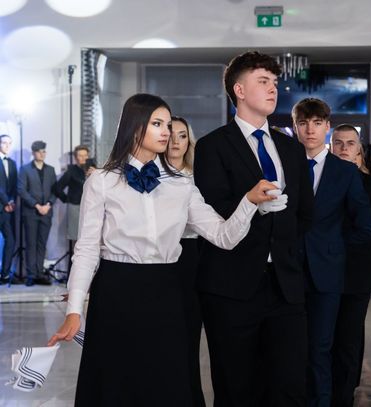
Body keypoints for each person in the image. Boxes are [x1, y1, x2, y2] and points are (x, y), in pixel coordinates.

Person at [47, 93, 277, 406]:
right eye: (157, 124)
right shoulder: (101, 181)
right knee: (114, 383)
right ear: (134, 127)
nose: (166, 132)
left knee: (167, 382)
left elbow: (224, 237)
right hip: (115, 290)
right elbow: (86, 249)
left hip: (167, 290)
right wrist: (74, 310)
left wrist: (248, 202)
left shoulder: (182, 184)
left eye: (168, 125)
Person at [194, 51, 313, 406]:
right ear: (240, 90)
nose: (273, 89)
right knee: (236, 387)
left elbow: (305, 213)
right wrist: (255, 209)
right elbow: (213, 212)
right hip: (232, 285)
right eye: (263, 81)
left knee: (290, 385)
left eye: (275, 82)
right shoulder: (213, 146)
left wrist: (283, 252)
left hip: (285, 285)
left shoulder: (291, 148)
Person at [292, 100, 371, 406]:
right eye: (303, 123)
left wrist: (333, 247)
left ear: (327, 127)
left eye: (317, 123)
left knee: (320, 348)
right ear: (295, 127)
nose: (310, 130)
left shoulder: (345, 171)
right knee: (288, 349)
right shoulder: (284, 165)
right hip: (286, 271)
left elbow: (365, 227)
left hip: (327, 273)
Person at [329, 124, 371, 406]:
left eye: (350, 143)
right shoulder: (316, 180)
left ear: (359, 149)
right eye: (339, 143)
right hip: (321, 272)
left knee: (348, 339)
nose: (344, 148)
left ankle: (344, 396)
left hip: (356, 273)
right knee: (323, 338)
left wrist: (358, 252)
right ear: (331, 146)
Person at [168, 115, 205, 407]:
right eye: (170, 134)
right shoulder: (150, 174)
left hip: (193, 255)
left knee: (190, 333)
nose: (175, 141)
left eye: (182, 135)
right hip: (161, 258)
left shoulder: (199, 176)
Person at [18, 141, 57, 286]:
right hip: (31, 212)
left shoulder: (51, 170)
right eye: (39, 151)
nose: (42, 154)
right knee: (31, 244)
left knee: (42, 244)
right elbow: (21, 190)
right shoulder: (25, 169)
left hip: (46, 212)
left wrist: (48, 205)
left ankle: (40, 273)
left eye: (44, 151)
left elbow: (55, 190)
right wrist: (36, 205)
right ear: (33, 153)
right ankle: (31, 275)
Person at [54, 145, 96, 241]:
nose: (83, 158)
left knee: (90, 235)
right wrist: (67, 199)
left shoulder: (94, 169)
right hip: (76, 207)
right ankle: (75, 251)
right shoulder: (71, 171)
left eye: (85, 155)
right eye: (80, 155)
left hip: (91, 207)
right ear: (75, 157)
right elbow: (57, 188)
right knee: (76, 236)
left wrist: (96, 174)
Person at [0, 134, 18, 284]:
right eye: (4, 143)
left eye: (9, 143)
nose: (7, 146)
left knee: (10, 240)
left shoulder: (12, 163)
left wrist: (11, 202)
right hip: (3, 205)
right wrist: (6, 202)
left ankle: (4, 274)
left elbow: (14, 186)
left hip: (6, 210)